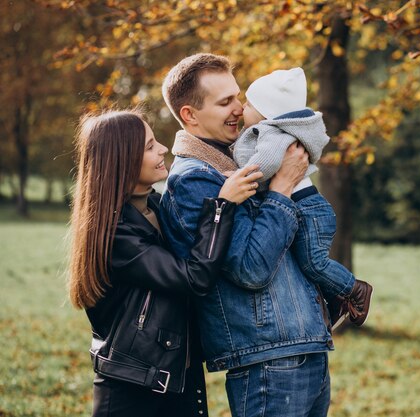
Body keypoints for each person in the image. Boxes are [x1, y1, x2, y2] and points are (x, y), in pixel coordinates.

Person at [159, 53, 332, 416]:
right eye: (225, 102)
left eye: (238, 97)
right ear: (189, 114)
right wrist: (282, 188)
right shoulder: (194, 179)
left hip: (300, 348)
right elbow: (250, 268)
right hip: (268, 358)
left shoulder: (241, 158)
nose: (240, 109)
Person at [67, 109, 262, 417]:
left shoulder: (156, 207)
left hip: (176, 383)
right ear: (122, 160)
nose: (162, 149)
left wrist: (216, 187)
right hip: (134, 395)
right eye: (149, 146)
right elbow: (194, 276)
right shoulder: (116, 233)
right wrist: (221, 206)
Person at [233, 67, 373, 328]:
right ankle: (336, 303)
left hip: (308, 208)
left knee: (313, 262)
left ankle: (355, 289)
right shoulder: (273, 130)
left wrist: (239, 178)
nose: (242, 107)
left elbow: (267, 162)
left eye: (249, 103)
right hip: (305, 205)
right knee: (303, 262)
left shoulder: (274, 133)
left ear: (266, 111)